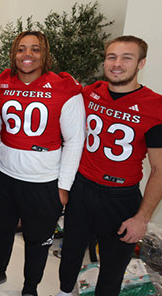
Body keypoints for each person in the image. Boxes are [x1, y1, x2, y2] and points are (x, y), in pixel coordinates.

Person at [0, 31, 85, 296]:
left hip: (44, 180)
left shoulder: (64, 86)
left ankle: (29, 288)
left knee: (38, 240)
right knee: (0, 230)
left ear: (44, 54)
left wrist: (64, 186)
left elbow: (75, 141)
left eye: (35, 49)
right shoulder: (1, 83)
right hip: (5, 175)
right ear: (14, 54)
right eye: (22, 49)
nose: (27, 55)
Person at [57, 35, 162, 296]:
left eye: (127, 57)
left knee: (112, 269)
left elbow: (160, 169)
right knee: (70, 253)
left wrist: (142, 218)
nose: (117, 63)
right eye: (111, 57)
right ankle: (63, 292)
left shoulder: (154, 106)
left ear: (141, 63)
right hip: (82, 189)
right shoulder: (91, 91)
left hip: (120, 197)